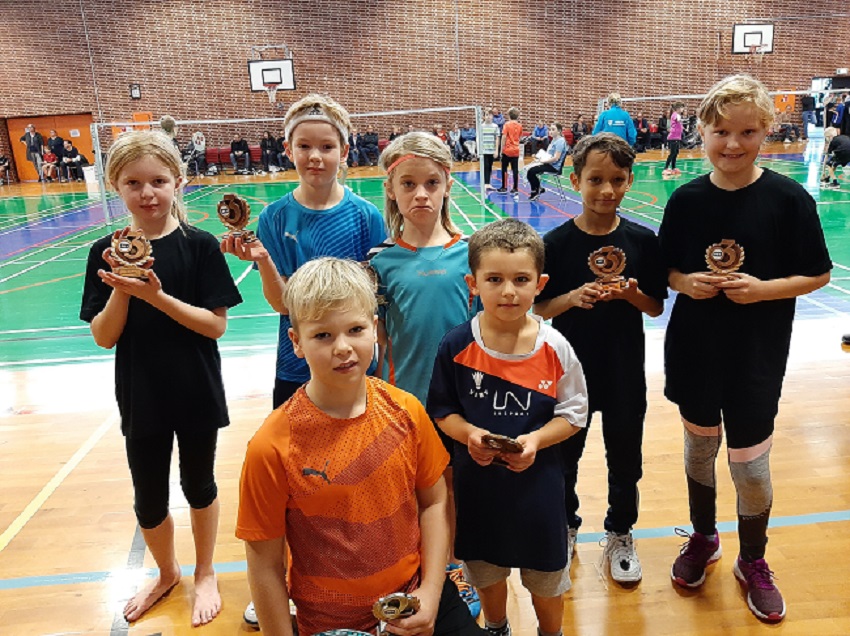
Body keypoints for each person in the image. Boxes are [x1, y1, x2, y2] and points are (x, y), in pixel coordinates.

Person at [659, 74, 832, 623]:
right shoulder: (686, 200)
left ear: (766, 131)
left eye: (748, 132)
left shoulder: (789, 199)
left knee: (751, 467)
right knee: (699, 449)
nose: (733, 143)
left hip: (757, 355)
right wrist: (684, 282)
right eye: (721, 132)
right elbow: (666, 269)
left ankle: (753, 559)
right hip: (695, 350)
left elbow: (818, 274)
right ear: (702, 132)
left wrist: (763, 290)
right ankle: (704, 537)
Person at [236, 257, 486, 636]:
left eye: (355, 329)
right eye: (323, 335)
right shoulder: (271, 447)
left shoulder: (406, 411)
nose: (343, 347)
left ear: (374, 328)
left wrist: (432, 593)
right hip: (332, 623)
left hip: (416, 596)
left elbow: (434, 501)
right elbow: (265, 563)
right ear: (296, 342)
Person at [219, 93, 386, 627]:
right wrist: (264, 261)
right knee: (296, 483)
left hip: (356, 368)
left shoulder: (364, 216)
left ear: (344, 151)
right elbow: (280, 303)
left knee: (358, 475)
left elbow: (373, 297)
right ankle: (286, 582)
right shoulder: (274, 217)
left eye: (327, 146)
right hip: (296, 368)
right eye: (305, 146)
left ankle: (361, 570)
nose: (316, 157)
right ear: (288, 150)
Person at [79, 130, 242, 627]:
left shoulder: (200, 246)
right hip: (141, 391)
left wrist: (157, 296)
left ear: (178, 182)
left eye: (158, 181)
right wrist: (124, 286)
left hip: (195, 387)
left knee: (199, 484)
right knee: (148, 498)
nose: (147, 193)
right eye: (133, 183)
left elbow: (215, 325)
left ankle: (206, 570)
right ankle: (167, 572)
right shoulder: (104, 252)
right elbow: (104, 337)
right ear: (116, 187)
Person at [428, 217, 588, 636]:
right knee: (486, 573)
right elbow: (442, 411)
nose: (508, 291)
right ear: (473, 284)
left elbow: (574, 414)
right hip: (478, 491)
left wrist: (535, 440)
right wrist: (470, 435)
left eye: (521, 279)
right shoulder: (456, 345)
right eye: (494, 279)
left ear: (540, 284)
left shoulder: (555, 346)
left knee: (546, 581)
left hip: (540, 491)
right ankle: (497, 628)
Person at [534, 132, 667, 585]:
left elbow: (655, 306)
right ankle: (565, 524)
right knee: (564, 456)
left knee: (625, 457)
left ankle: (621, 532)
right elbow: (540, 308)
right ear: (575, 181)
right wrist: (572, 297)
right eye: (595, 179)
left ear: (629, 181)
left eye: (617, 180)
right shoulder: (555, 243)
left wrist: (631, 294)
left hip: (624, 370)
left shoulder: (642, 240)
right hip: (569, 373)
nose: (607, 190)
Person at [369, 132, 482, 618]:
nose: (420, 194)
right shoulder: (379, 262)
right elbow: (378, 339)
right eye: (409, 184)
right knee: (411, 489)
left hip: (459, 403)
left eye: (431, 183)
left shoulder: (470, 254)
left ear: (447, 186)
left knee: (451, 487)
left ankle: (454, 565)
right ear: (391, 190)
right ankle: (414, 565)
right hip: (404, 402)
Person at [527, 122, 569, 201]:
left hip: (554, 167)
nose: (550, 131)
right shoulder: (554, 139)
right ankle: (538, 188)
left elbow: (556, 158)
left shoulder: (560, 141)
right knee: (529, 169)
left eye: (553, 129)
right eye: (550, 129)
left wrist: (544, 161)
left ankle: (535, 191)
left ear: (559, 131)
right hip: (549, 163)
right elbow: (549, 154)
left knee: (531, 171)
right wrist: (539, 158)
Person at [497, 107, 522, 193]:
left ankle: (504, 187)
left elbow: (504, 137)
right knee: (515, 169)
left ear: (509, 115)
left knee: (504, 168)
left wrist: (501, 151)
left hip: (507, 150)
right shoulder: (519, 125)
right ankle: (515, 188)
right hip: (516, 150)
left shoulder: (506, 125)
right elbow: (519, 137)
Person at [663, 102, 685, 177]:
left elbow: (679, 124)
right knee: (672, 153)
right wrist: (680, 119)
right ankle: (665, 168)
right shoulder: (675, 114)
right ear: (678, 108)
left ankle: (673, 167)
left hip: (677, 137)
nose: (683, 109)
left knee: (676, 153)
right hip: (673, 137)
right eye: (682, 107)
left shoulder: (677, 115)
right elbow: (677, 119)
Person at [479, 112, 500, 191]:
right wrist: (479, 150)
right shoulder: (481, 126)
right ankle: (485, 184)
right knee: (486, 166)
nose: (488, 117)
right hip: (484, 150)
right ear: (484, 116)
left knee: (490, 166)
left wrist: (496, 150)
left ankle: (488, 183)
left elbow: (497, 138)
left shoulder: (495, 126)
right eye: (487, 115)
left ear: (492, 116)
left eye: (490, 115)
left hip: (491, 150)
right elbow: (479, 138)